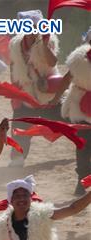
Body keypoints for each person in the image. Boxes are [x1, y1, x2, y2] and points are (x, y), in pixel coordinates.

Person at [7, 10, 61, 167]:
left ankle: (84, 144)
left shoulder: (48, 40)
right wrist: (14, 93)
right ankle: (17, 159)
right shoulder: (15, 44)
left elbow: (52, 62)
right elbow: (13, 66)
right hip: (26, 94)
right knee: (20, 126)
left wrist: (44, 45)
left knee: (67, 122)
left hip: (48, 93)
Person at [62, 27, 91, 196]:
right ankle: (82, 183)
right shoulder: (79, 60)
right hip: (81, 109)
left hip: (80, 108)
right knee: (82, 148)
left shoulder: (78, 60)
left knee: (83, 149)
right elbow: (67, 78)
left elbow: (66, 79)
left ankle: (82, 183)